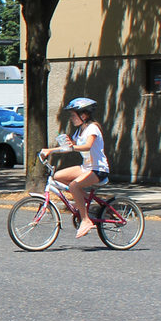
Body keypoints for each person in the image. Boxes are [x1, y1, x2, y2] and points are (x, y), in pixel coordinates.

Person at [39, 97, 110, 239]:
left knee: (74, 186)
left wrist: (73, 146)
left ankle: (86, 220)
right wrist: (50, 150)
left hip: (98, 169)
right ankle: (83, 201)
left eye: (73, 115)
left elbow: (87, 146)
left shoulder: (93, 128)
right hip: (86, 168)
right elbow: (69, 148)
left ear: (83, 115)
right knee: (57, 177)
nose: (71, 118)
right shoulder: (80, 131)